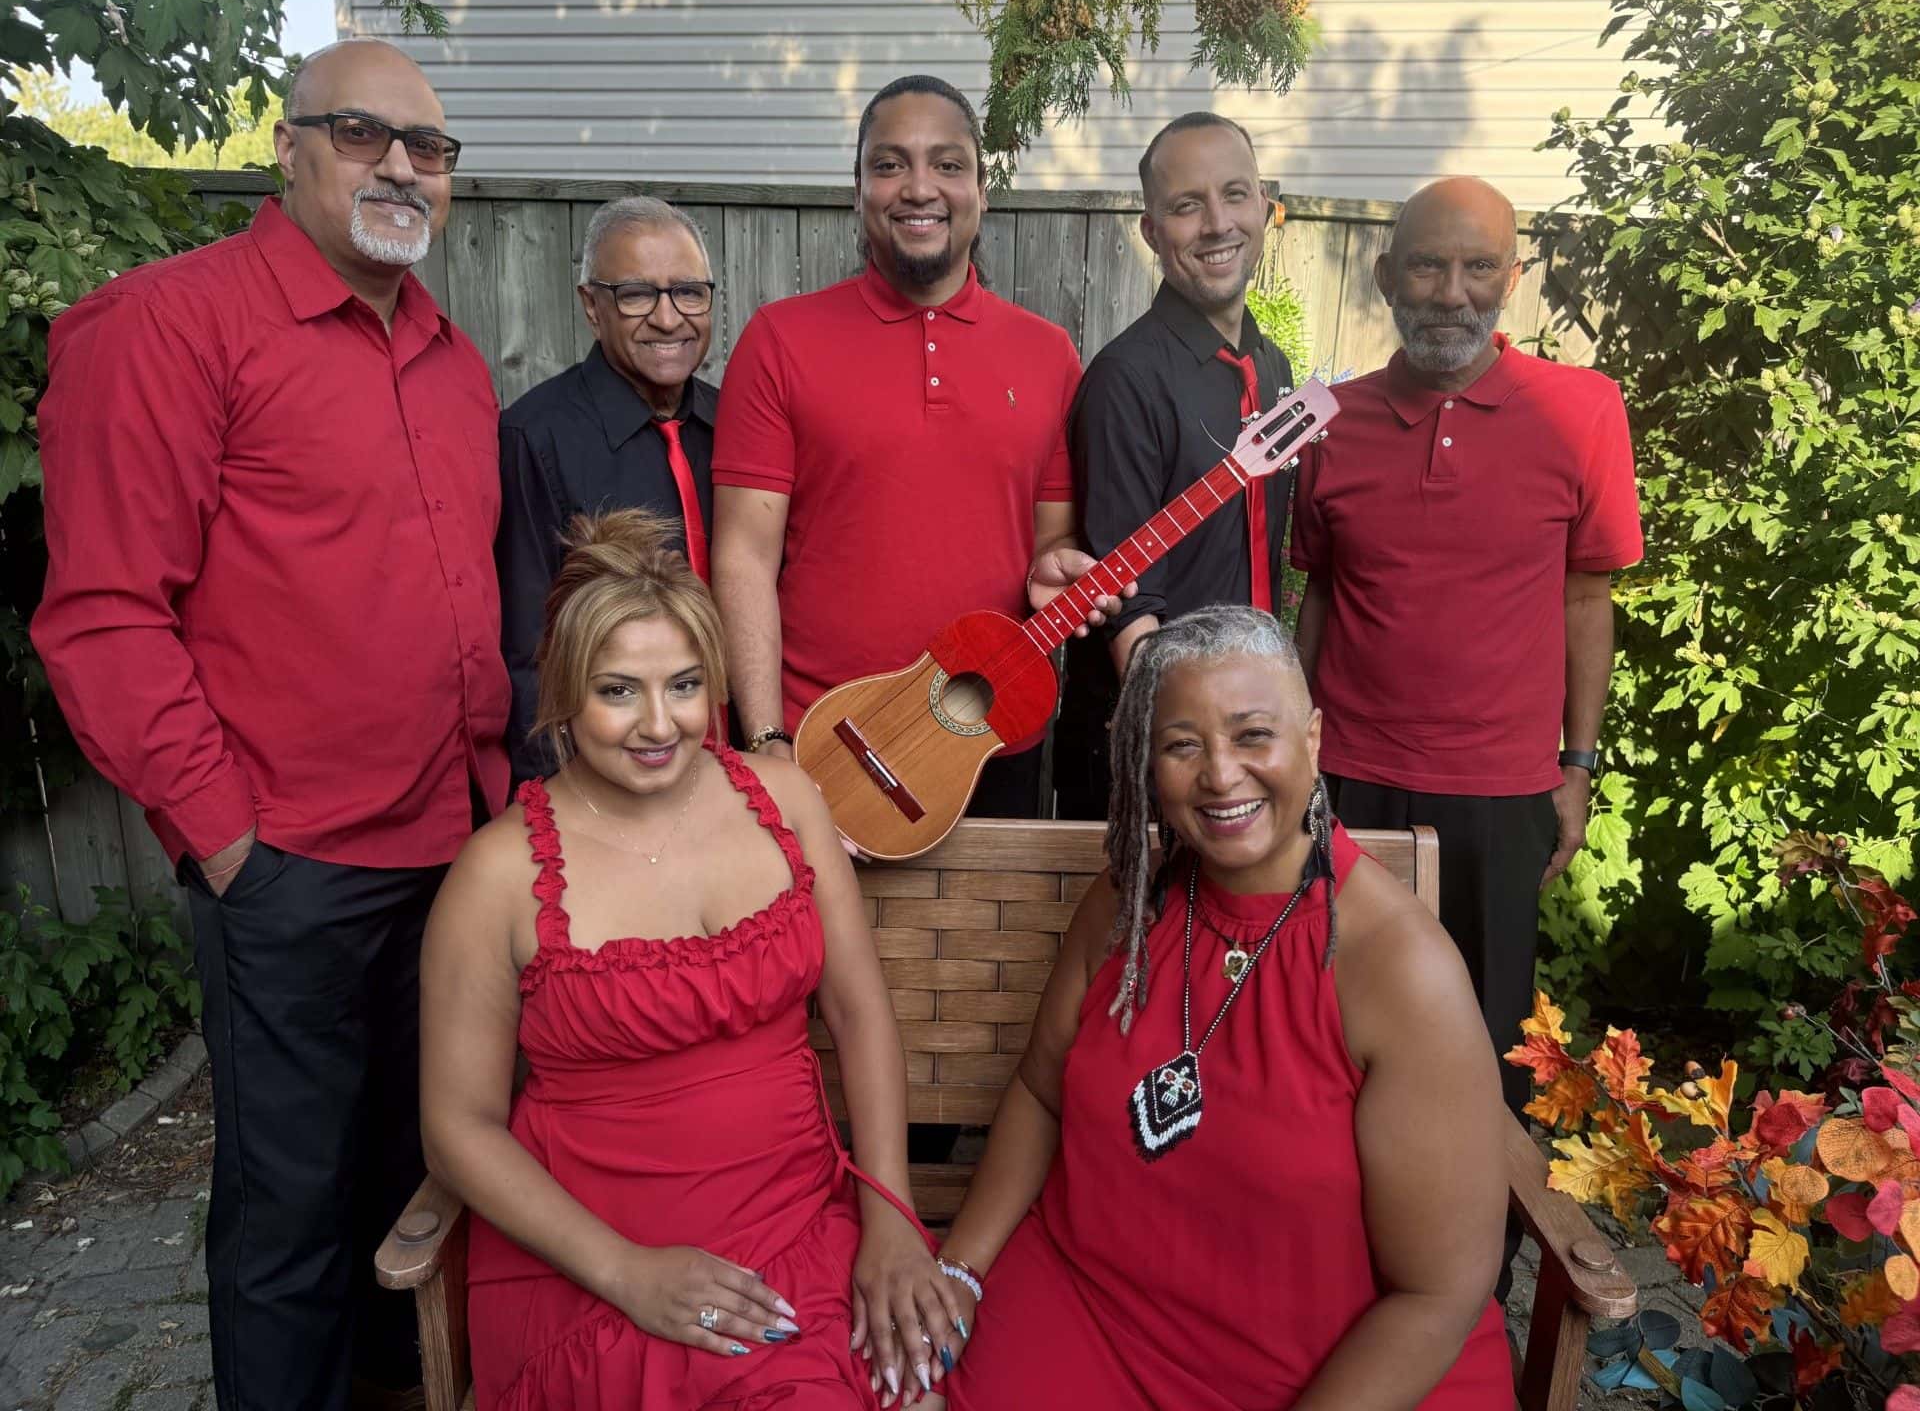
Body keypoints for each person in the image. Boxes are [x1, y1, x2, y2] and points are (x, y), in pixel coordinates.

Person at [30, 39, 502, 1411]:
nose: (403, 165)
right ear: (286, 150)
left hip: (450, 856)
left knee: (409, 1194)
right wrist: (229, 844)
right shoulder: (169, 324)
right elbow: (106, 615)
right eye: (364, 134)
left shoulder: (448, 355)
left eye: (430, 147)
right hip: (291, 864)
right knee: (289, 1228)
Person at [420, 509, 964, 1410]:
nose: (658, 724)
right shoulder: (499, 875)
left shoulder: (785, 801)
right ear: (562, 693)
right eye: (618, 691)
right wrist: (627, 1273)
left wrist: (890, 1215)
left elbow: (861, 1014)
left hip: (794, 1216)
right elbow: (458, 1128)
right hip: (592, 1258)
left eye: (682, 685)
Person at [927, 606, 1511, 1410]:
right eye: (1182, 744)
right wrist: (960, 1267)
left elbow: (1437, 1295)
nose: (1220, 775)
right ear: (1146, 763)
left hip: (1322, 1368)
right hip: (1094, 1316)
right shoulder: (1127, 905)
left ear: (1312, 739)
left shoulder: (1399, 969)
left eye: (1251, 736)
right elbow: (1038, 1092)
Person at [1291, 176, 1644, 1109]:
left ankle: (1478, 1256)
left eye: (1479, 266)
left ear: (1513, 277)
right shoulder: (1332, 422)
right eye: (1428, 264)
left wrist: (1576, 765)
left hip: (1502, 792)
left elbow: (1586, 598)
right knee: (1333, 1038)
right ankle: (1339, 1251)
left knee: (1489, 1058)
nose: (1453, 291)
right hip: (1350, 783)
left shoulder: (1583, 410)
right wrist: (1296, 757)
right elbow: (1320, 596)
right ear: (1385, 276)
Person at [710, 75, 1124, 818]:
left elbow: (1050, 543)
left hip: (989, 742)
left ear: (982, 192)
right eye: (889, 163)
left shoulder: (1049, 354)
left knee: (987, 939)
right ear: (859, 189)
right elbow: (744, 554)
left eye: (948, 164)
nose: (919, 186)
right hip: (823, 744)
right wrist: (767, 737)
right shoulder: (780, 340)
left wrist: (1056, 571)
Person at [1056, 111, 1295, 818]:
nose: (1217, 223)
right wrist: (1194, 747)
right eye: (1187, 206)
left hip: (1243, 737)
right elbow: (1127, 599)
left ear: (1264, 206)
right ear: (1152, 231)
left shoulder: (1270, 367)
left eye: (1235, 194)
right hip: (1153, 746)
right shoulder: (1126, 379)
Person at [497, 195, 720, 787]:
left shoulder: (737, 430)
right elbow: (526, 654)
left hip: (731, 771)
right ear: (592, 307)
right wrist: (558, 804)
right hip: (604, 779)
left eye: (689, 292)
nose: (669, 318)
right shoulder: (533, 436)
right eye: (637, 294)